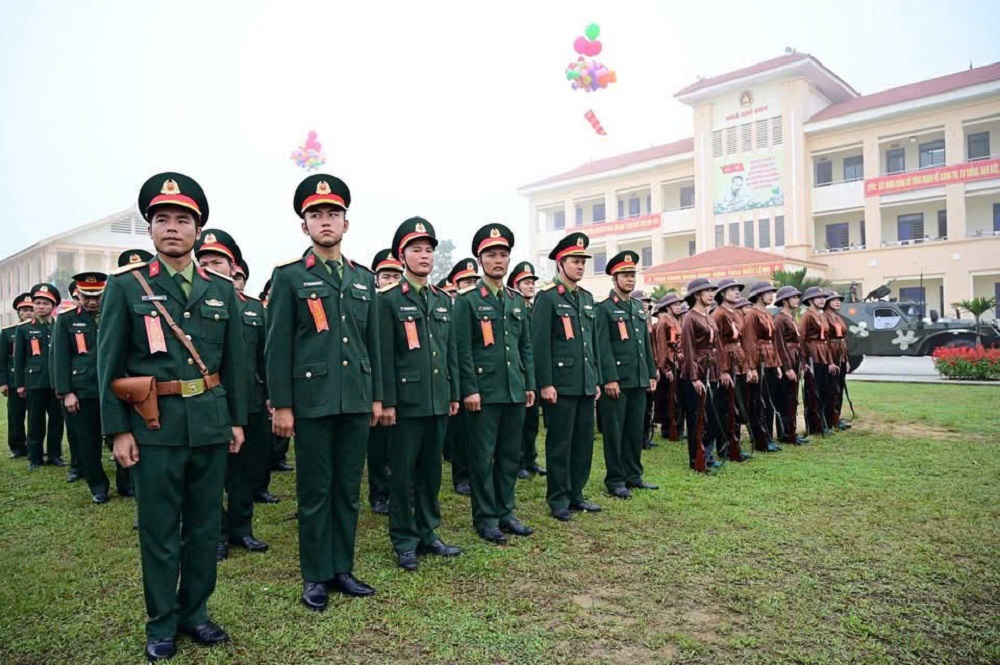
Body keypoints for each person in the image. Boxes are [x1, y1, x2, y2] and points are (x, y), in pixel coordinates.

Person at [97, 172, 248, 662]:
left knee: (204, 527)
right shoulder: (126, 287)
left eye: (183, 220)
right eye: (162, 219)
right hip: (153, 426)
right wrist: (117, 430)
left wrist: (236, 421)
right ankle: (161, 622)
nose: (172, 228)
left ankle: (195, 613)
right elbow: (108, 365)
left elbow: (235, 364)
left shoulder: (220, 289)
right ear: (150, 228)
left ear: (198, 230)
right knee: (159, 529)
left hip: (208, 423)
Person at [266, 174, 382, 609]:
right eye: (316, 215)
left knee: (348, 489)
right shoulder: (289, 277)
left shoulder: (363, 278)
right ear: (305, 226)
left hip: (355, 398)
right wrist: (282, 405)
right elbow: (278, 347)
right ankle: (315, 574)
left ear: (346, 223)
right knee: (315, 491)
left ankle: (342, 568)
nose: (326, 221)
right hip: (312, 402)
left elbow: (373, 345)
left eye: (333, 213)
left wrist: (376, 396)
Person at [377, 217, 461, 571]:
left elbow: (450, 350)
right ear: (402, 256)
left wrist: (453, 392)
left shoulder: (442, 299)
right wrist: (388, 401)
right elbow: (383, 355)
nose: (424, 256)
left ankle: (428, 532)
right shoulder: (388, 299)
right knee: (403, 475)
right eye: (416, 250)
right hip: (406, 404)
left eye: (428, 250)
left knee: (431, 471)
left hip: (437, 399)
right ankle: (404, 539)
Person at [454, 224, 536, 544]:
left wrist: (528, 383)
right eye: (491, 255)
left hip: (514, 389)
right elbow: (462, 349)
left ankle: (506, 512)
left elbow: (525, 346)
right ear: (480, 260)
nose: (498, 260)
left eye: (503, 254)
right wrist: (470, 389)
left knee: (509, 456)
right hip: (484, 393)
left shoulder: (515, 300)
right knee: (482, 457)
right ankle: (486, 518)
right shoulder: (468, 300)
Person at [193, 229, 270, 561]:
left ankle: (242, 528)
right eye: (205, 262)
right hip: (208, 402)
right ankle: (217, 533)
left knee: (245, 470)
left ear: (233, 267)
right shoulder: (190, 305)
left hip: (249, 401)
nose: (211, 268)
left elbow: (265, 357)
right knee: (211, 474)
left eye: (218, 262)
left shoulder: (253, 308)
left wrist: (271, 396)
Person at [531, 232, 602, 522]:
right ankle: (558, 498)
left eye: (583, 261)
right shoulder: (548, 297)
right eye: (575, 261)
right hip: (560, 385)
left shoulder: (586, 298)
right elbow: (540, 344)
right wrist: (546, 383)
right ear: (560, 263)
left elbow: (592, 344)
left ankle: (576, 494)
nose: (580, 266)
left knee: (584, 442)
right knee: (560, 444)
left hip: (585, 382)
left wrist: (596, 378)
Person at [594, 253, 657, 499]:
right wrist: (609, 378)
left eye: (632, 275)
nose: (630, 280)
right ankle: (615, 479)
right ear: (614, 278)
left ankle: (633, 475)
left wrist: (650, 373)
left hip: (638, 378)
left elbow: (645, 345)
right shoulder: (604, 309)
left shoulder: (637, 308)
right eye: (625, 275)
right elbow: (602, 347)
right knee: (615, 432)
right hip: (617, 381)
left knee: (634, 429)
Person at [52, 272, 112, 502]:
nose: (92, 302)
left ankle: (127, 483)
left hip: (114, 387)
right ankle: (98, 486)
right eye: (87, 296)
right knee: (88, 441)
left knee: (119, 435)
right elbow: (60, 358)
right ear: (78, 294)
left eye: (97, 296)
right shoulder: (66, 320)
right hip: (83, 389)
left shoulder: (113, 314)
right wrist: (66, 392)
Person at [366, 248, 404, 516]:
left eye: (395, 275)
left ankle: (400, 491)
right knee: (378, 446)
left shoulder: (405, 302)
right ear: (376, 278)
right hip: (378, 385)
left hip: (405, 384)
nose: (391, 280)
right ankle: (379, 493)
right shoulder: (371, 303)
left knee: (399, 446)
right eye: (386, 275)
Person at [15, 283, 65, 470]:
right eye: (37, 303)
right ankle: (34, 457)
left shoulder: (60, 325)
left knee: (57, 421)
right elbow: (19, 359)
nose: (40, 307)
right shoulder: (24, 328)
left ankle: (54, 455)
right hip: (34, 381)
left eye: (45, 303)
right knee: (35, 421)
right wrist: (20, 384)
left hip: (56, 382)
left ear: (53, 306)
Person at [443, 258, 479, 496]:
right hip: (454, 377)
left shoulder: (477, 305)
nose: (470, 284)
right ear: (455, 284)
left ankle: (475, 472)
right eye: (466, 281)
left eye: (474, 280)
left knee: (475, 433)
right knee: (460, 431)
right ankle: (461, 476)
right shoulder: (446, 306)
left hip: (478, 376)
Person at [678, 278, 721, 472]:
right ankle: (697, 459)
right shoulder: (690, 318)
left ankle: (708, 455)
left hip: (711, 370)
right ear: (696, 294)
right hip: (696, 372)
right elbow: (688, 350)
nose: (711, 294)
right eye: (707, 291)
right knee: (697, 419)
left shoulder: (708, 316)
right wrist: (694, 378)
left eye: (712, 291)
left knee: (712, 416)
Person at [508, 260, 545, 480]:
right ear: (516, 285)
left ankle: (531, 459)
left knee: (532, 421)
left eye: (532, 282)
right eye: (526, 282)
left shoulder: (533, 307)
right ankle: (519, 461)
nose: (531, 286)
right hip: (517, 372)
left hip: (533, 371)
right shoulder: (513, 307)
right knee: (519, 423)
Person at [711, 278, 751, 463]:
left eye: (738, 289)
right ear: (722, 293)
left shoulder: (737, 314)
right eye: (732, 289)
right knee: (726, 407)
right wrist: (723, 370)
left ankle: (736, 445)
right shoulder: (718, 314)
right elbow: (717, 344)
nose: (737, 292)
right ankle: (725, 447)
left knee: (738, 406)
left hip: (738, 360)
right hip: (726, 361)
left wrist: (747, 366)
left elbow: (743, 341)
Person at [741, 281, 782, 453]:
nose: (771, 295)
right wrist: (751, 367)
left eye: (772, 292)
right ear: (758, 295)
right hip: (759, 361)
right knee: (759, 402)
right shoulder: (751, 315)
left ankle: (768, 437)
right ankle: (760, 440)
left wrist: (777, 364)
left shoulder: (767, 314)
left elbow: (774, 341)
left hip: (770, 359)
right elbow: (749, 342)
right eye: (767, 293)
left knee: (769, 401)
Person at [772, 286, 808, 446]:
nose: (797, 300)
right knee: (785, 399)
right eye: (793, 297)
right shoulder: (779, 319)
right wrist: (787, 368)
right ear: (784, 300)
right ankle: (785, 434)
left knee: (792, 398)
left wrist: (801, 362)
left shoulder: (791, 317)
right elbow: (779, 345)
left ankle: (791, 431)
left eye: (797, 297)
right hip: (787, 358)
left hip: (795, 357)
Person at [1, 293, 35, 459]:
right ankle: (17, 447)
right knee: (16, 415)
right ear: (18, 312)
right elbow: (2, 360)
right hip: (14, 380)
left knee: (35, 415)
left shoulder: (41, 329)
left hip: (35, 379)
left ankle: (34, 446)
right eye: (24, 310)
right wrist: (3, 382)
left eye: (30, 309)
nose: (27, 313)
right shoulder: (8, 332)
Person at [799, 286, 835, 437]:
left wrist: (831, 361)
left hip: (824, 353)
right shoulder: (807, 316)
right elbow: (802, 339)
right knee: (814, 392)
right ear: (810, 300)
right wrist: (803, 362)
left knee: (824, 390)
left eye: (823, 297)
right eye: (818, 297)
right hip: (813, 355)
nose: (822, 300)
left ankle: (823, 423)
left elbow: (827, 339)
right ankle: (814, 426)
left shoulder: (822, 315)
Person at [653, 294, 684, 442]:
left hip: (678, 360)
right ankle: (667, 429)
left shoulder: (676, 320)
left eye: (679, 304)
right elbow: (661, 346)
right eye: (675, 304)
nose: (678, 307)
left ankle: (676, 428)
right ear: (668, 307)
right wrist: (665, 368)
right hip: (669, 361)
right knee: (668, 397)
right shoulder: (663, 322)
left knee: (677, 397)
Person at [632, 290, 657, 450]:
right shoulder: (634, 321)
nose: (645, 304)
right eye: (642, 301)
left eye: (647, 302)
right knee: (640, 408)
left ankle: (645, 436)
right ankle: (640, 438)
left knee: (648, 407)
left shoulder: (647, 321)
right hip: (638, 369)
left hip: (650, 366)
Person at [823, 289, 851, 430]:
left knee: (840, 387)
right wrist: (829, 360)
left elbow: (843, 339)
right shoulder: (824, 317)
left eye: (839, 300)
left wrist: (846, 359)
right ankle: (829, 419)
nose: (837, 302)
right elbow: (825, 340)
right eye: (834, 300)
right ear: (827, 302)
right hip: (831, 353)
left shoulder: (838, 317)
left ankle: (836, 417)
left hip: (841, 353)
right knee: (831, 388)